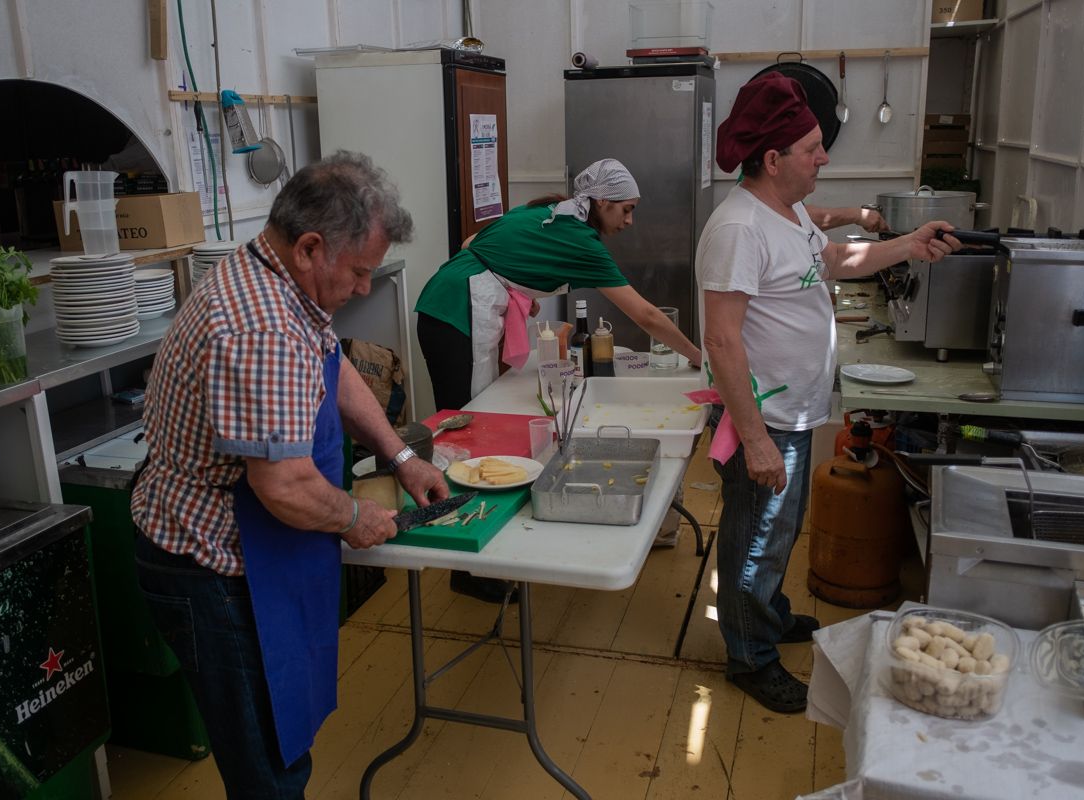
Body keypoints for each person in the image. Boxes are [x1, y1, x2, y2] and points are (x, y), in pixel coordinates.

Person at [131, 151, 448, 797]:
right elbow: (284, 487)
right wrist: (357, 516)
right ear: (310, 247)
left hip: (251, 552)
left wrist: (403, 457)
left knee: (282, 745)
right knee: (268, 770)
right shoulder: (262, 324)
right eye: (359, 272)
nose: (365, 288)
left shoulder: (279, 282)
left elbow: (334, 372)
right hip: (210, 566)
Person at [696, 74, 961, 714]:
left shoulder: (784, 215)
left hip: (794, 411)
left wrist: (905, 245)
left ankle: (768, 613)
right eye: (813, 148)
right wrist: (755, 438)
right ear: (773, 159)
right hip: (766, 418)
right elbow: (723, 341)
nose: (824, 158)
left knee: (779, 532)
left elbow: (835, 261)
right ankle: (749, 655)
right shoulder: (737, 229)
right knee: (753, 539)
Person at [415, 158, 702, 601]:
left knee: (474, 421)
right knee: (472, 427)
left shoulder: (541, 212)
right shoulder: (580, 240)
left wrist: (516, 285)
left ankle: (473, 552)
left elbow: (474, 242)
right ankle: (467, 567)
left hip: (447, 302)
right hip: (457, 311)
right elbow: (643, 313)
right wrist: (699, 356)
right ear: (601, 202)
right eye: (625, 209)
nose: (629, 221)